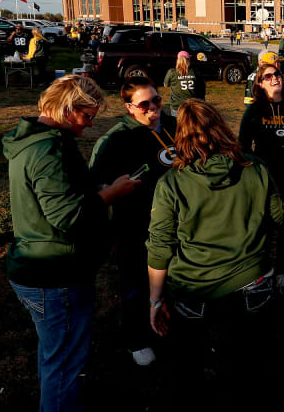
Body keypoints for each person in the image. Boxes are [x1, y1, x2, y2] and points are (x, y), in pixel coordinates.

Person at [4, 75, 139, 411]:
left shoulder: (39, 140)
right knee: (64, 366)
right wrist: (109, 194)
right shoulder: (48, 151)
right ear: (66, 108)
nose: (89, 124)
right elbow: (69, 217)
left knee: (55, 356)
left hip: (39, 263)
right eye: (86, 115)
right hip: (55, 275)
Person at [147, 99, 283, 410]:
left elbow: (159, 247)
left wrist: (155, 299)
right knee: (247, 366)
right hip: (252, 284)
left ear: (180, 136)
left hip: (194, 287)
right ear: (221, 127)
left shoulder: (171, 182)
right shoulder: (255, 167)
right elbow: (279, 217)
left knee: (188, 369)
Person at [88, 77, 176, 367]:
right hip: (136, 223)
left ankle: (166, 321)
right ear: (129, 107)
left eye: (157, 100)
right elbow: (97, 186)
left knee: (172, 276)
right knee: (136, 283)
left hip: (176, 220)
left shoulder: (174, 126)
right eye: (144, 104)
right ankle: (136, 338)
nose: (153, 108)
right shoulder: (115, 140)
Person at [239, 64, 284, 291]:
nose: (274, 78)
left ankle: (281, 270)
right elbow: (242, 146)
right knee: (261, 224)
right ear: (259, 84)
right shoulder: (254, 111)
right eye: (267, 76)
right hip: (263, 177)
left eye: (276, 74)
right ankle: (258, 270)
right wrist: (252, 167)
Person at [163, 51, 205, 116]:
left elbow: (165, 85)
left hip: (177, 105)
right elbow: (202, 87)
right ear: (188, 60)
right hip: (193, 105)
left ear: (178, 60)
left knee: (177, 124)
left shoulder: (171, 72)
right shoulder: (195, 71)